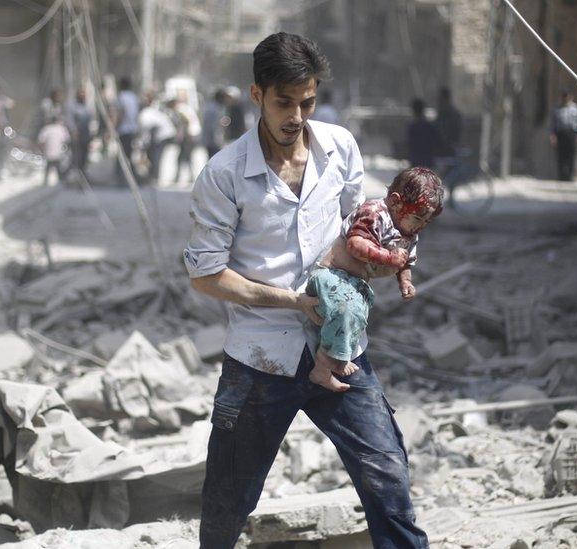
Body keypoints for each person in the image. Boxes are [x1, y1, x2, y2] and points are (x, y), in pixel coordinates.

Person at [185, 32, 429, 548]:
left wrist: (386, 259)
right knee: (226, 501)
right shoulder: (225, 174)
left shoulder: (340, 148)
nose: (296, 115)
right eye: (284, 102)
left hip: (340, 352)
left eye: (307, 101)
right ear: (257, 95)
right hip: (259, 361)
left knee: (388, 481)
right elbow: (207, 275)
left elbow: (358, 228)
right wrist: (294, 301)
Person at [307, 167, 443, 392]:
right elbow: (356, 244)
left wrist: (405, 282)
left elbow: (405, 262)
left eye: (426, 222)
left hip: (354, 283)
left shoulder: (408, 232)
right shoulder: (374, 213)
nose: (419, 226)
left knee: (357, 318)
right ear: (395, 201)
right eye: (417, 218)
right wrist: (388, 257)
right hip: (332, 275)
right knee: (345, 312)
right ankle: (323, 366)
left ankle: (337, 358)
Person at [138, 92, 177, 186]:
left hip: (162, 136)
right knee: (154, 156)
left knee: (156, 157)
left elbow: (147, 131)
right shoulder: (149, 111)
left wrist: (143, 144)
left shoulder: (146, 114)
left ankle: (154, 177)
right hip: (162, 135)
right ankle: (153, 176)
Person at [550, 90, 577, 181]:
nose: (565, 99)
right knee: (561, 155)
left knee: (571, 155)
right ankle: (561, 176)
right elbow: (553, 123)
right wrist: (553, 135)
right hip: (561, 134)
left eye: (567, 96)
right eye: (564, 97)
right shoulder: (557, 108)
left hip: (571, 134)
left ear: (570, 97)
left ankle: (570, 176)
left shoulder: (575, 108)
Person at [115, 76, 140, 184]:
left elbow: (122, 113)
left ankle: (122, 179)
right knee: (129, 155)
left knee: (122, 156)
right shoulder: (133, 97)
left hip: (124, 130)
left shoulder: (121, 97)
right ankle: (133, 177)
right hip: (132, 129)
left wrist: (115, 127)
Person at [173, 89, 201, 184]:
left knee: (184, 157)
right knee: (185, 157)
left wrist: (184, 135)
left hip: (188, 136)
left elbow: (186, 122)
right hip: (190, 135)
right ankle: (188, 176)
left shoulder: (181, 108)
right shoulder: (187, 107)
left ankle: (182, 177)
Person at [407, 97, 441, 168]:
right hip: (428, 162)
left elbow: (409, 145)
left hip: (415, 162)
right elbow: (438, 142)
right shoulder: (429, 126)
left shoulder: (412, 127)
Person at [38, 115, 71, 186]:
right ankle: (60, 182)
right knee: (58, 168)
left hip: (48, 153)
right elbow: (67, 140)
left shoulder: (46, 129)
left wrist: (42, 151)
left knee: (48, 168)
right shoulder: (61, 129)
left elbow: (41, 141)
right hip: (58, 153)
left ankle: (45, 181)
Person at [68, 88, 93, 179]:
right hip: (77, 133)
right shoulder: (73, 106)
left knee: (85, 153)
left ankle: (83, 171)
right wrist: (74, 131)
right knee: (77, 153)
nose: (83, 97)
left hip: (85, 133)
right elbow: (70, 120)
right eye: (81, 95)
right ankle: (76, 172)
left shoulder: (87, 106)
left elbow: (90, 119)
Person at [435, 86, 462, 154]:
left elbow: (456, 132)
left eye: (440, 98)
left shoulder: (453, 114)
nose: (438, 101)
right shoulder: (440, 113)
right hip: (441, 148)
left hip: (449, 149)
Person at [201, 88, 227, 158]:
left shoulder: (211, 107)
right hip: (214, 140)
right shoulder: (215, 109)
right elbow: (213, 126)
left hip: (210, 140)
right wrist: (217, 140)